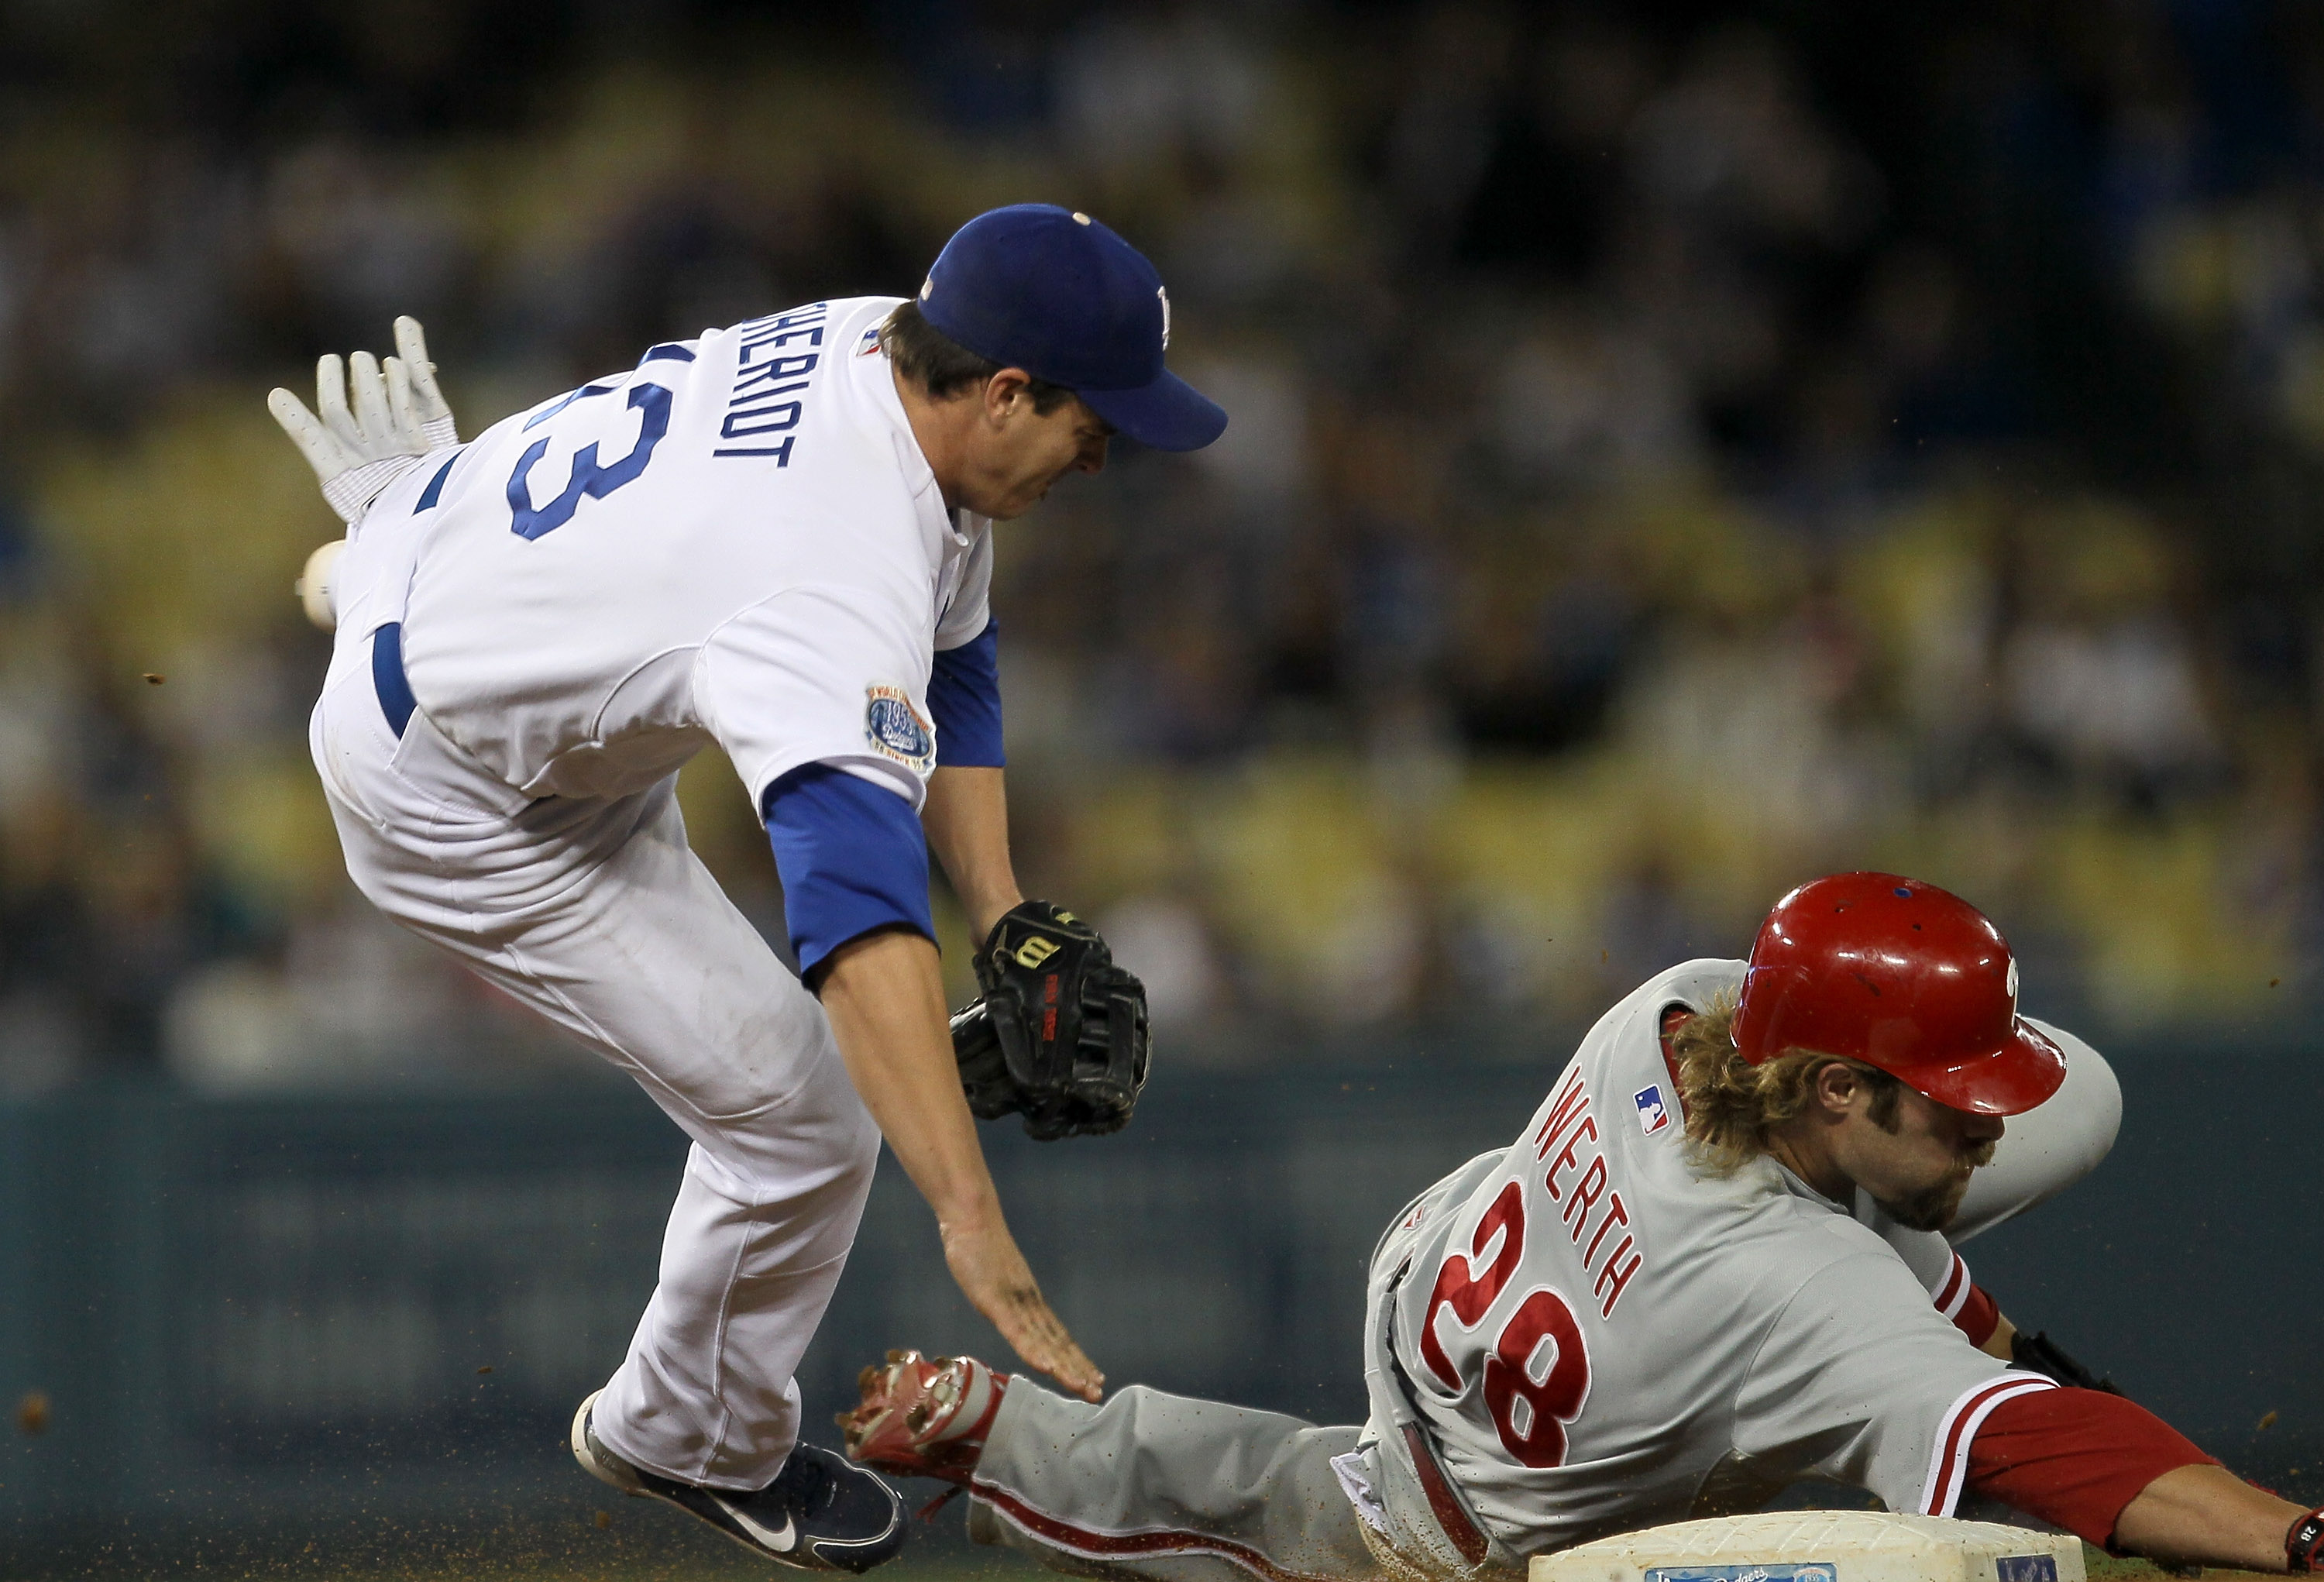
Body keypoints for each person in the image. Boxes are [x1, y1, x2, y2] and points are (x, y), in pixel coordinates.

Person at [268, 205, 1225, 1572]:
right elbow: (852, 919)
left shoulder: (887, 353)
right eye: (1096, 416)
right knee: (805, 1118)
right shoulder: (828, 574)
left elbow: (951, 646)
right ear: (1005, 389)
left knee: (830, 1080)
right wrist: (967, 1216)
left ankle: (388, 552)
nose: (1110, 447)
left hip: (469, 560)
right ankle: (689, 1434)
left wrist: (1005, 913)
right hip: (453, 792)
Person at [841, 872, 2324, 1580]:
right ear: (1828, 1084)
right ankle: (995, 1433)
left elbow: (1839, 1219)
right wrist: (2293, 1533)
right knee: (1287, 1512)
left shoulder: (1672, 1004)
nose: (1987, 1119)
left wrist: (1952, 1282)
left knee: (2033, 1144)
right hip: (1466, 1507)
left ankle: (981, 1421)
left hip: (1458, 1261)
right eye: (1947, 1100)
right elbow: (2048, 1447)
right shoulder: (1793, 1286)